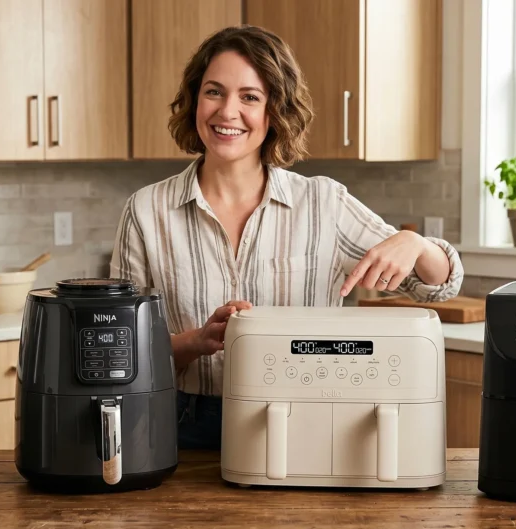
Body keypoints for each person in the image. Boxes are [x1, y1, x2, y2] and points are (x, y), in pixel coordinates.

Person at [110, 25, 463, 450]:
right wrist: (195, 342)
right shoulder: (146, 210)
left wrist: (416, 244)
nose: (227, 112)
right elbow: (122, 350)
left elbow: (437, 287)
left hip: (307, 419)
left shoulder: (323, 203)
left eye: (250, 97)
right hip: (182, 424)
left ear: (275, 111)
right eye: (214, 92)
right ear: (194, 100)